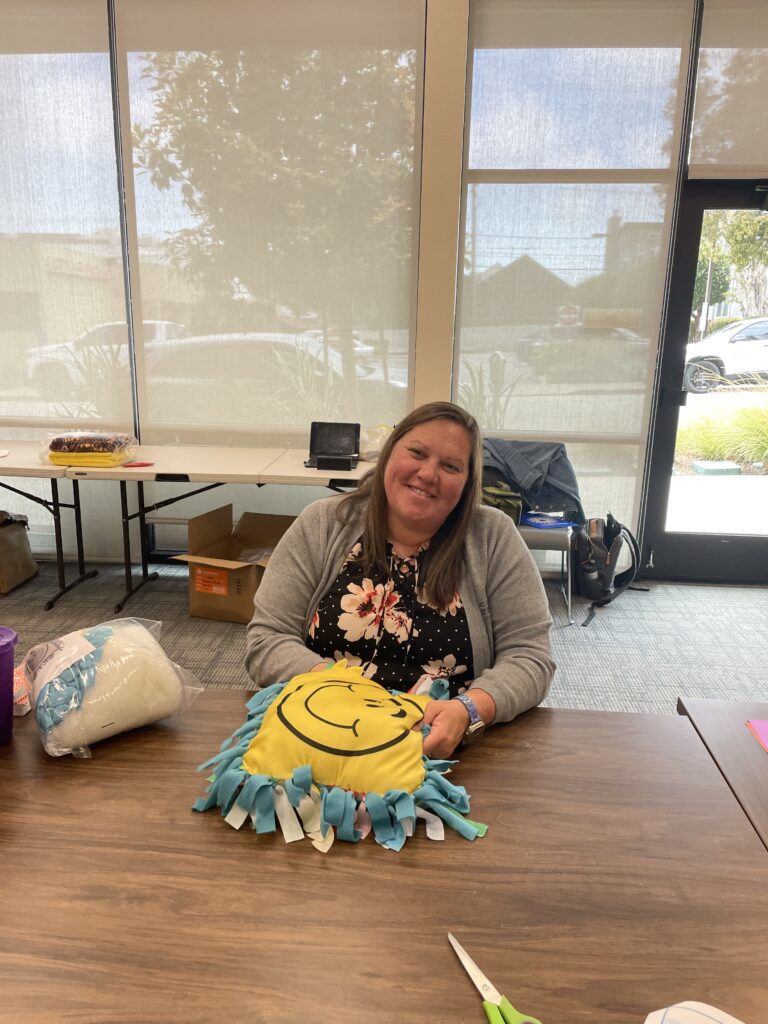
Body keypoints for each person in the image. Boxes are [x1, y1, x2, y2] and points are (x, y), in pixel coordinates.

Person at [245, 401, 555, 758]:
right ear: (390, 452)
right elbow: (266, 638)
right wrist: (331, 684)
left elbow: (530, 657)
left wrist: (469, 710)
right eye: (417, 453)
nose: (428, 474)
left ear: (468, 483)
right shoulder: (322, 523)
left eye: (450, 466)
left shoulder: (493, 536)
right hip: (323, 735)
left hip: (446, 752)